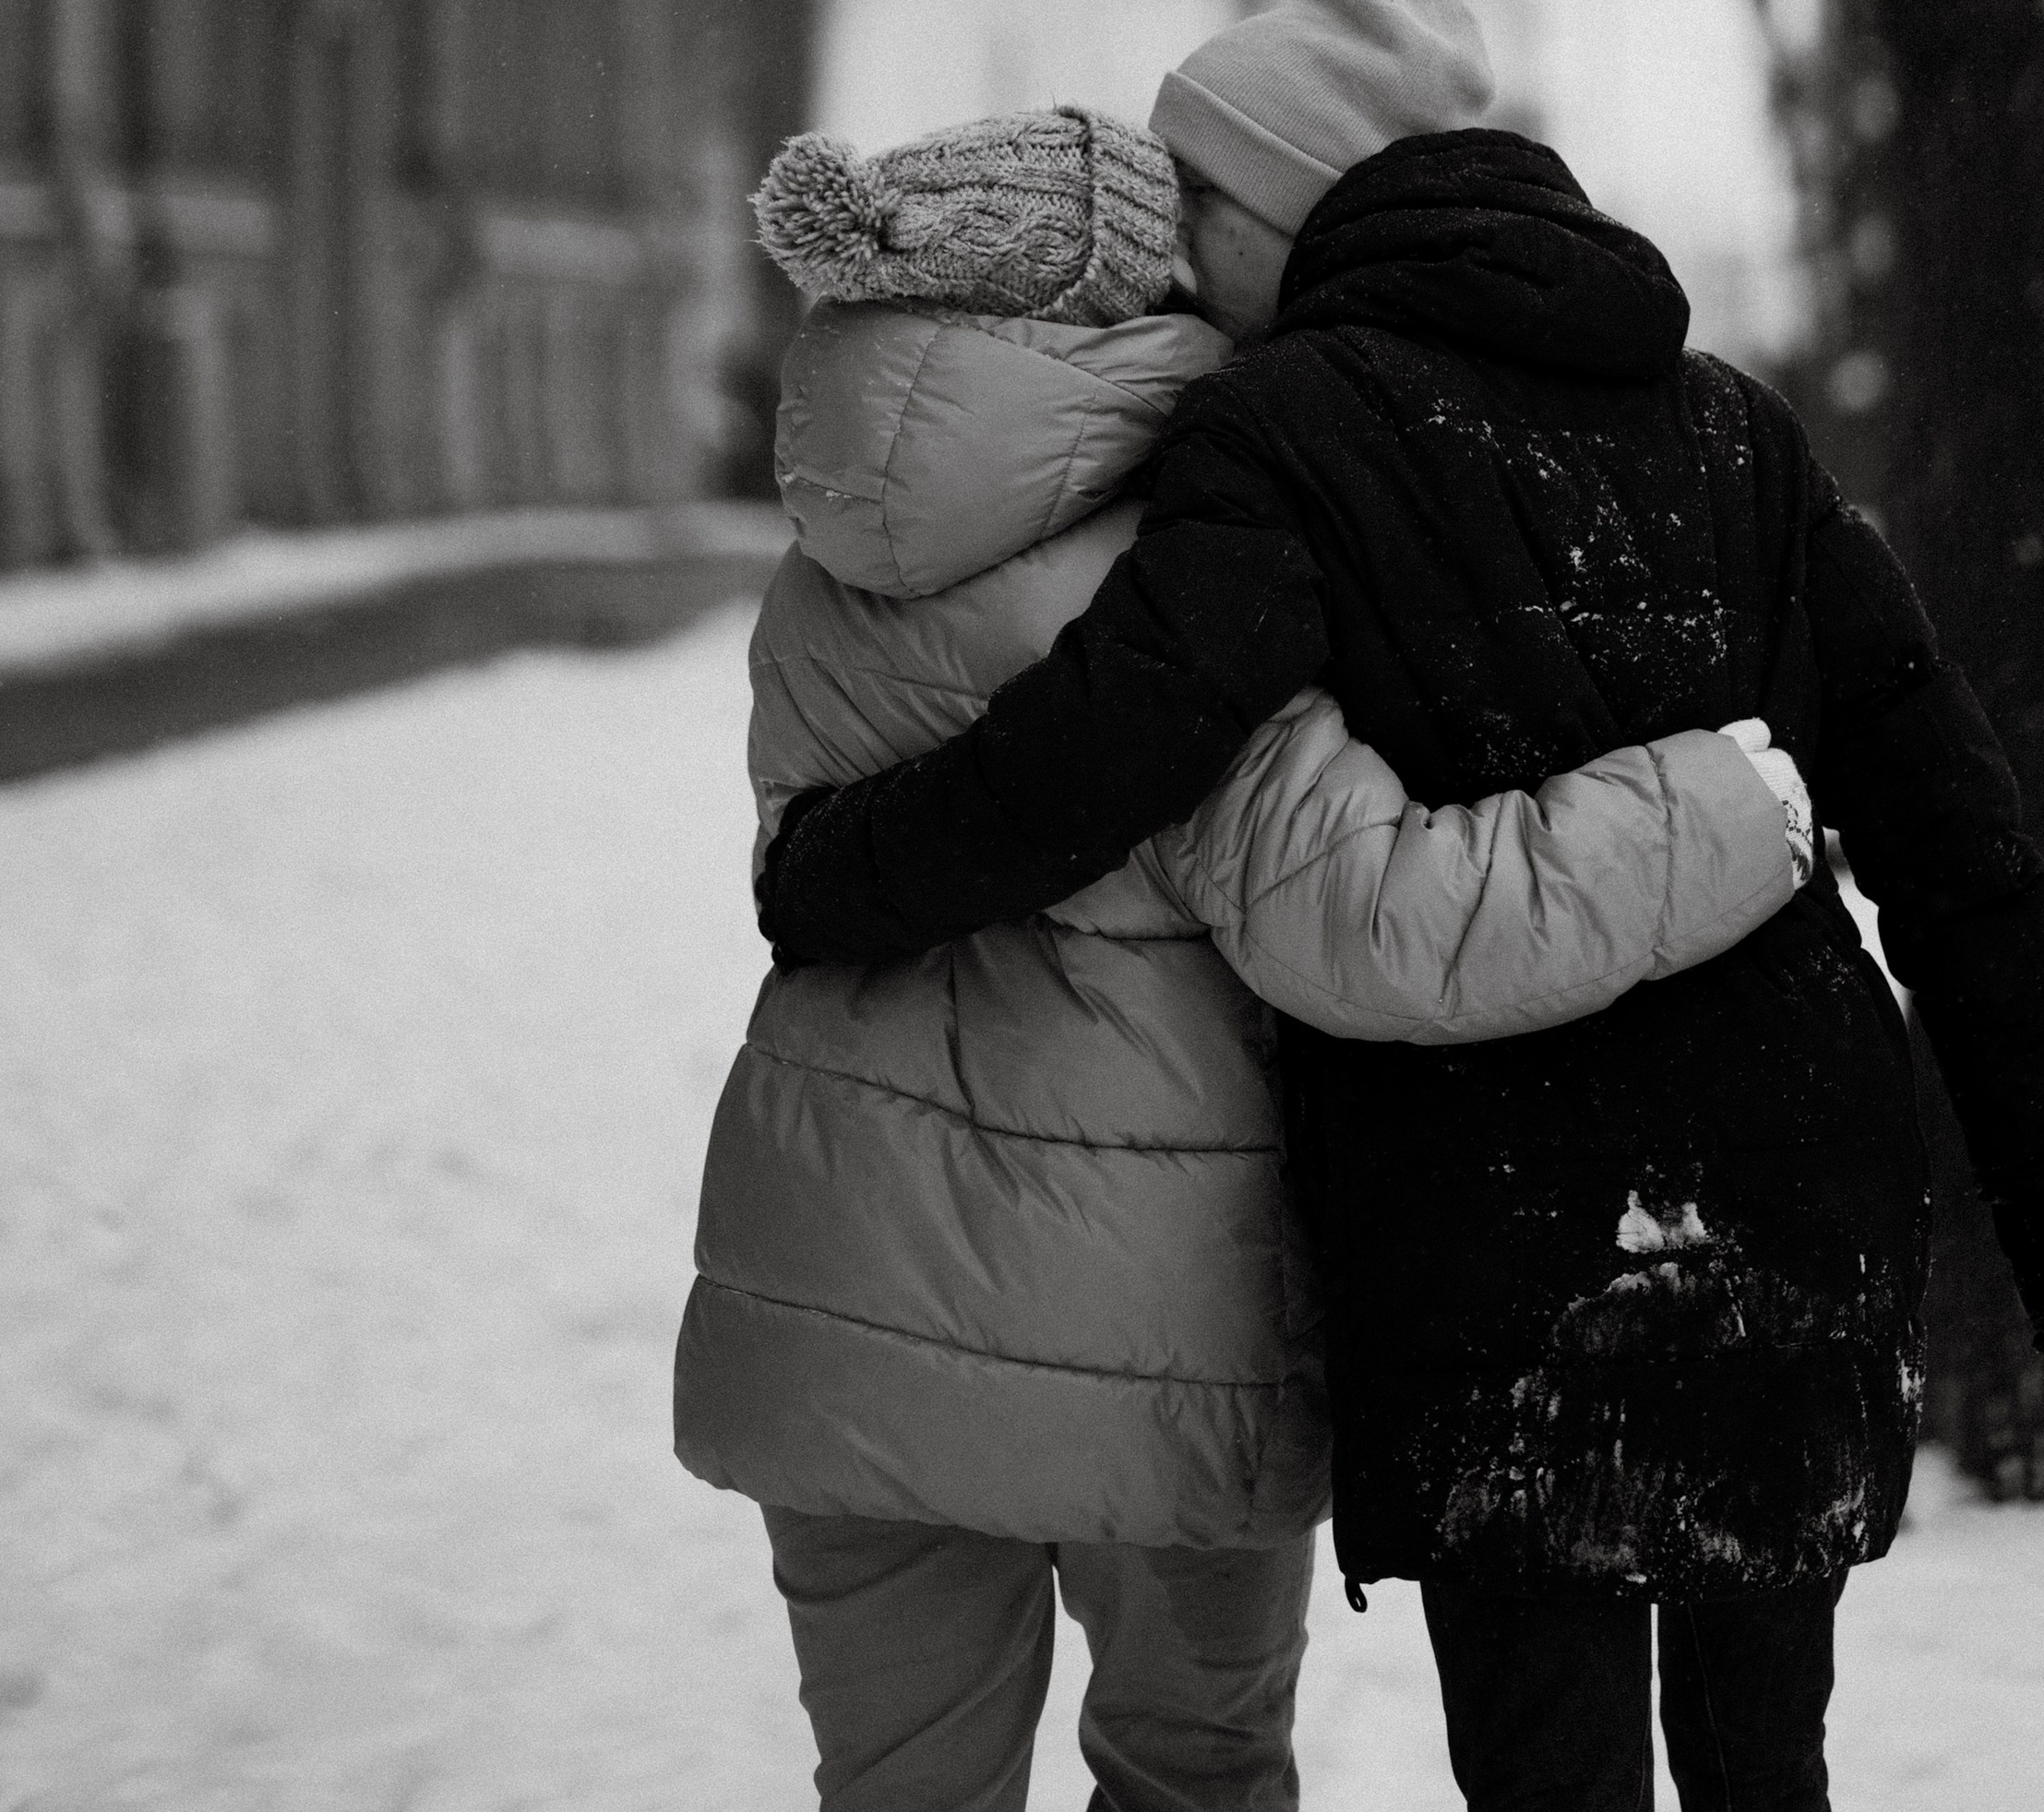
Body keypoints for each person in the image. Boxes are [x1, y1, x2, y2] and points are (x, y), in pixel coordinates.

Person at [758, 0, 2044, 1812]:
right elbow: (1950, 830)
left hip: (1495, 1209)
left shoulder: (1282, 428)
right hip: (1798, 1181)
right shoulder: (1735, 424)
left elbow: (1118, 734)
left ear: (1299, 211)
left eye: (1205, 204)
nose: (1180, 253)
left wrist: (839, 872)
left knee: (1543, 1760)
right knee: (1764, 1758)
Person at [676, 98, 1813, 1812]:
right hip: (1161, 1315)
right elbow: (1378, 923)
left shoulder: (826, 567)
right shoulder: (1196, 574)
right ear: (1140, 305)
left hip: (835, 1283)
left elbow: (823, 859)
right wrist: (1715, 809)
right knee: (1193, 1775)